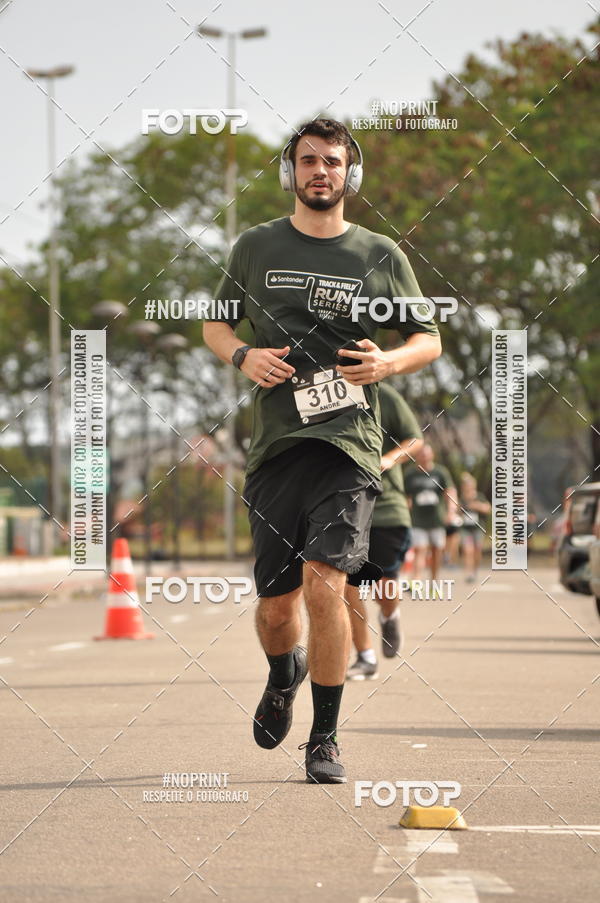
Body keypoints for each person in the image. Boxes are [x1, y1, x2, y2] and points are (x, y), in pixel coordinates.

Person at [203, 118, 441, 784]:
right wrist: (243, 355)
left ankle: (326, 737)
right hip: (278, 446)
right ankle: (284, 672)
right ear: (291, 172)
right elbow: (215, 324)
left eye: (333, 162)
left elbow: (429, 339)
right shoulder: (255, 246)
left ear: (349, 174)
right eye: (308, 161)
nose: (321, 172)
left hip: (350, 444)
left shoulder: (380, 254)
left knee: (326, 584)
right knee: (278, 607)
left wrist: (386, 366)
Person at [346, 383, 423, 679]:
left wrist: (389, 459)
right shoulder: (316, 392)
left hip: (385, 506)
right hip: (341, 508)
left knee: (384, 586)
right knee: (345, 585)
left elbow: (415, 438)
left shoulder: (383, 395)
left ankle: (390, 615)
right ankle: (365, 657)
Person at [404, 444, 457, 580]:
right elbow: (405, 496)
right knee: (420, 549)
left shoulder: (440, 472)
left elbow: (450, 491)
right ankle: (416, 579)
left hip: (437, 519)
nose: (424, 457)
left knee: (436, 551)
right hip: (417, 520)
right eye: (421, 454)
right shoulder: (410, 474)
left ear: (432, 455)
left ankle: (434, 579)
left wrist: (451, 511)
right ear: (416, 457)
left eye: (426, 454)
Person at [459, 472, 490, 582]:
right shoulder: (462, 498)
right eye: (465, 485)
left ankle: (475, 570)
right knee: (468, 550)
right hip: (465, 529)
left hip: (478, 528)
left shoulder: (479, 496)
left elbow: (488, 508)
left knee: (477, 550)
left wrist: (477, 506)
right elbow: (456, 511)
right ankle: (469, 573)